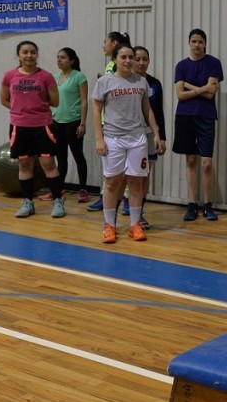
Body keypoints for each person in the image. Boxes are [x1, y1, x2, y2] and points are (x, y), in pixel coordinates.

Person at [92, 43, 166, 244]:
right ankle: (109, 225)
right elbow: (96, 110)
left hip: (137, 138)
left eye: (131, 57)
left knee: (136, 182)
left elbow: (147, 109)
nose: (128, 61)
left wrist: (157, 134)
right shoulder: (105, 82)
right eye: (123, 57)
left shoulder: (141, 82)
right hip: (113, 138)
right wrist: (99, 138)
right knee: (113, 182)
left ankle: (135, 225)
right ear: (115, 59)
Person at [0, 40, 66, 219]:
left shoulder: (46, 76)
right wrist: (20, 111)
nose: (29, 55)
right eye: (25, 52)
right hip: (19, 127)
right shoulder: (9, 76)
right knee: (24, 165)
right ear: (18, 55)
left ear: (37, 55)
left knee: (49, 165)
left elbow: (55, 102)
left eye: (32, 52)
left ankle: (58, 201)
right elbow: (4, 100)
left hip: (42, 126)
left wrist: (35, 108)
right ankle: (28, 202)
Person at [173, 28, 223, 222]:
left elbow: (211, 94)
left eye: (200, 41)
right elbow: (179, 95)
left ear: (205, 44)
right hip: (185, 116)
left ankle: (208, 205)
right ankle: (192, 204)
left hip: (206, 116)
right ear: (189, 42)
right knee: (191, 160)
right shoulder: (181, 66)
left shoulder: (213, 64)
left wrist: (189, 86)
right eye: (194, 41)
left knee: (207, 163)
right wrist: (201, 88)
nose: (197, 45)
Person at [87, 32, 132, 212]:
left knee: (129, 167)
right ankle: (105, 196)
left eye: (105, 42)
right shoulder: (109, 66)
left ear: (113, 43)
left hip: (125, 126)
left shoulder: (127, 65)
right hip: (108, 123)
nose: (103, 46)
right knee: (109, 167)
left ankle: (127, 200)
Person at [127, 45, 166, 229]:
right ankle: (117, 213)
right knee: (122, 176)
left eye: (145, 59)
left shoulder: (155, 84)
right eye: (138, 59)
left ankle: (139, 213)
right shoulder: (123, 82)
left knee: (145, 174)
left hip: (149, 134)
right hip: (127, 135)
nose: (141, 63)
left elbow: (158, 112)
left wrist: (161, 136)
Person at [50, 47, 90, 203]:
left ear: (72, 60)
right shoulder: (55, 77)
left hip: (74, 122)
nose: (59, 60)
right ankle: (59, 190)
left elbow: (85, 101)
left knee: (78, 155)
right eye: (58, 57)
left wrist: (83, 123)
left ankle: (83, 190)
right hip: (57, 121)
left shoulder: (79, 76)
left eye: (63, 57)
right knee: (61, 158)